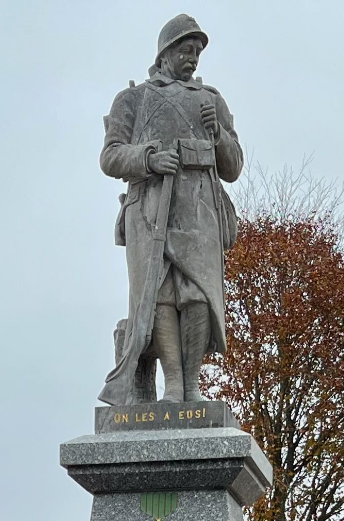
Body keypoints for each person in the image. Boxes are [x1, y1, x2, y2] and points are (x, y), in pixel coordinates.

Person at [97, 12, 244, 405]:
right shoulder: (134, 98)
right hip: (149, 207)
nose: (193, 57)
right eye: (186, 48)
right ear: (165, 51)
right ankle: (173, 386)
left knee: (197, 294)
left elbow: (233, 167)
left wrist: (220, 135)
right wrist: (148, 159)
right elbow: (110, 156)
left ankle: (192, 387)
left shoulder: (211, 100)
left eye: (197, 51)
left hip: (199, 208)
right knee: (158, 296)